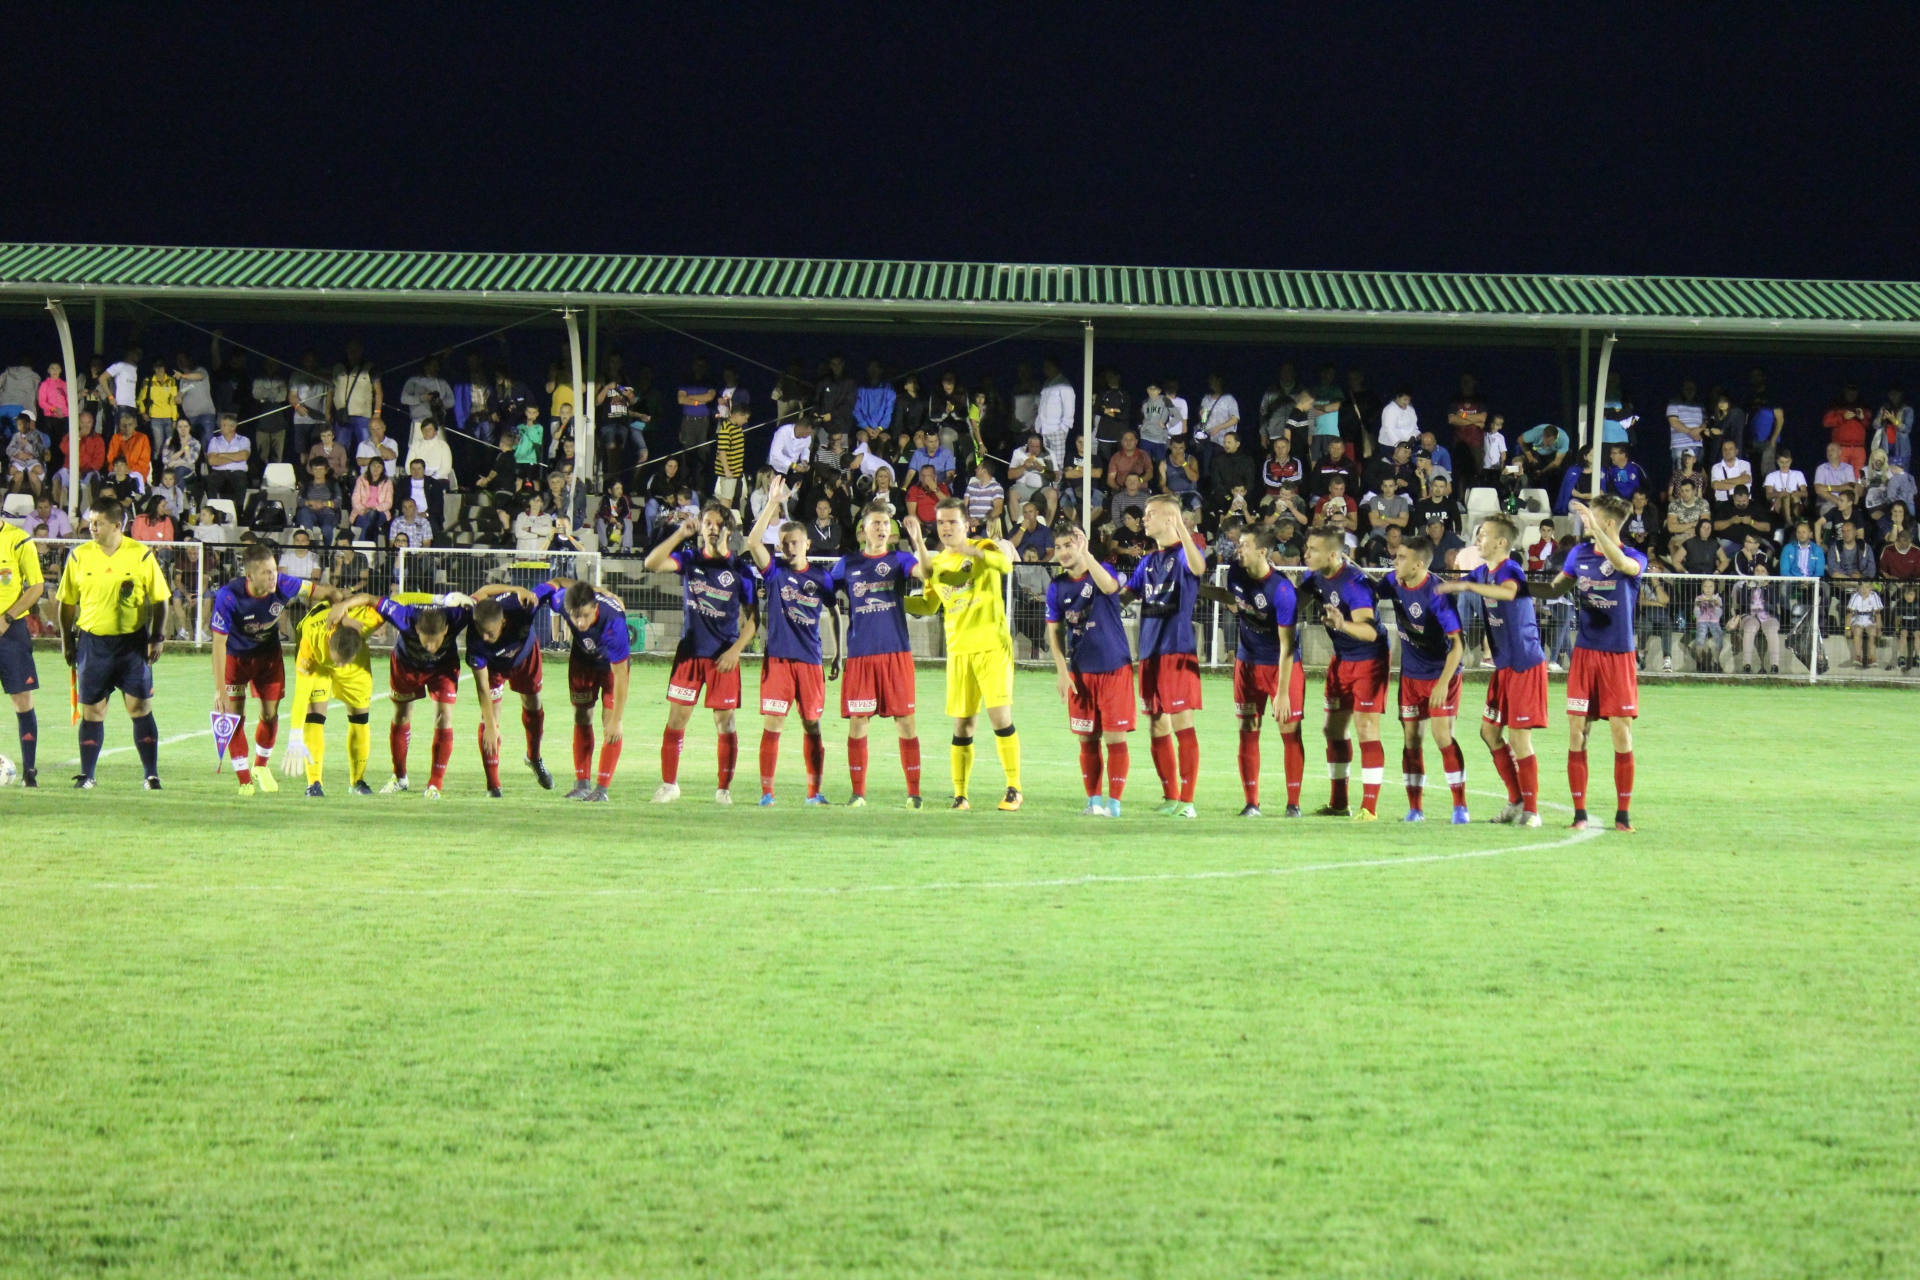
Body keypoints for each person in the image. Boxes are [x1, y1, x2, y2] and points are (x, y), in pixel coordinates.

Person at [904, 496, 1022, 811]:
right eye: (941, 522)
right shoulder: (935, 565)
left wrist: (975, 552)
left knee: (1000, 718)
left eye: (952, 522)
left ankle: (1014, 788)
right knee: (963, 726)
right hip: (959, 652)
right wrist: (893, 601)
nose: (946, 527)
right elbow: (928, 606)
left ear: (967, 525)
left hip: (992, 646)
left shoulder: (984, 547)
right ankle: (960, 795)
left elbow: (1006, 565)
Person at [1436, 515, 1547, 826]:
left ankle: (1532, 811)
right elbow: (1460, 582)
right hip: (1504, 666)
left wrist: (1469, 585)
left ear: (1501, 542)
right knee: (1489, 732)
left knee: (1519, 738)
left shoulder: (1510, 569)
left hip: (1524, 663)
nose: (1477, 539)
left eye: (1483, 534)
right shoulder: (1483, 572)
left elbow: (1510, 592)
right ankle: (1516, 800)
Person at [1546, 496, 1648, 832]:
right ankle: (1579, 815)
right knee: (1578, 732)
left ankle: (1623, 816)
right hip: (1585, 653)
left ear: (1608, 523)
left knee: (1621, 733)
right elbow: (1556, 589)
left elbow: (1622, 565)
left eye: (1593, 517)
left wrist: (1598, 532)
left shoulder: (1634, 556)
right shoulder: (1579, 554)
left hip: (1618, 654)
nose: (1585, 522)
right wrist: (1517, 589)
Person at [644, 502, 757, 804]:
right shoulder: (690, 559)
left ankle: (723, 790)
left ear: (729, 530)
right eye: (707, 522)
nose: (712, 528)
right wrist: (679, 533)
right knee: (676, 720)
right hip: (690, 654)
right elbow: (652, 563)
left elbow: (754, 619)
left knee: (725, 724)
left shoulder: (741, 570)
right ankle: (670, 785)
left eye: (718, 523)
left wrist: (736, 651)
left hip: (723, 658)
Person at [56, 496, 169, 789]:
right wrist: (67, 640)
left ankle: (151, 775)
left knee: (140, 707)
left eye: (98, 523)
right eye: (91, 522)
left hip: (132, 644)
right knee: (93, 711)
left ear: (117, 525)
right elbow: (67, 602)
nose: (91, 528)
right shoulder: (79, 556)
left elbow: (160, 599)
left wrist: (157, 636)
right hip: (93, 644)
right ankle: (87, 775)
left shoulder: (140, 554)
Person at [208, 541, 332, 793]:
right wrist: (220, 689)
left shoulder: (285, 584)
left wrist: (340, 604)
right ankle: (244, 779)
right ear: (250, 575)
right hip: (236, 659)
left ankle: (261, 766)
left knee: (269, 715)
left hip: (268, 657)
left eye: (274, 570)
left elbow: (324, 592)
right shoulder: (229, 596)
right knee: (234, 716)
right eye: (266, 572)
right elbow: (218, 643)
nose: (273, 576)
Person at [744, 476, 839, 805]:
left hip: (810, 660)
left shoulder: (821, 577)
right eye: (784, 544)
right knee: (773, 724)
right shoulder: (775, 572)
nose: (790, 548)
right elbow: (752, 542)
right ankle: (767, 793)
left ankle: (815, 793)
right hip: (779, 661)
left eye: (795, 543)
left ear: (807, 544)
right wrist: (772, 504)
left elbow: (835, 612)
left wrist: (838, 654)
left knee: (812, 724)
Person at [1199, 525, 1305, 817]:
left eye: (1245, 544)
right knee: (1247, 731)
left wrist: (1282, 693)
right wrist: (1197, 589)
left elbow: (1287, 646)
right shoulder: (1236, 570)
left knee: (1290, 732)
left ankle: (1293, 804)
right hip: (1247, 664)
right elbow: (1231, 597)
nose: (1238, 549)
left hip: (1281, 667)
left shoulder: (1282, 591)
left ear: (1262, 552)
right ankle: (1251, 803)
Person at [824, 500, 925, 807]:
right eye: (876, 523)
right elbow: (825, 595)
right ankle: (858, 794)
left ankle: (914, 794)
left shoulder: (900, 559)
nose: (882, 528)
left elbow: (926, 572)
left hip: (896, 654)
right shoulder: (848, 563)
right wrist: (837, 652)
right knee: (858, 722)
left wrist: (918, 541)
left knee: (906, 722)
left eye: (886, 524)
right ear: (863, 529)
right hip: (861, 656)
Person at [1116, 495, 1208, 816]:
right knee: (1157, 725)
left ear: (1170, 518)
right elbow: (1124, 597)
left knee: (1182, 724)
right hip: (1150, 654)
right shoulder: (1148, 562)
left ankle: (1188, 802)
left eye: (1150, 514)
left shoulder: (1184, 554)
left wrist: (1182, 527)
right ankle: (1170, 797)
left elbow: (1199, 567)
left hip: (1177, 652)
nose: (1144, 519)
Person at [334, 590, 473, 798]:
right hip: (406, 666)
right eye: (426, 642)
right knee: (401, 716)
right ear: (416, 629)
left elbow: (487, 604)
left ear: (446, 629)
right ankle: (399, 777)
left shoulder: (457, 616)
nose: (431, 648)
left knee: (444, 717)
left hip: (442, 669)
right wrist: (342, 606)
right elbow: (371, 599)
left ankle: (435, 784)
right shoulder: (404, 616)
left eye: (436, 642)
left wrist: (469, 600)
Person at [1300, 525, 1391, 819]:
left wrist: (1342, 624)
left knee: (1366, 729)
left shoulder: (1354, 583)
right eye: (1307, 548)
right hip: (1341, 659)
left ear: (1333, 554)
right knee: (1333, 729)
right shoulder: (1315, 577)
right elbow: (1292, 605)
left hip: (1369, 659)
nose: (1306, 554)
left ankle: (1369, 809)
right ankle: (1339, 804)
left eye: (1313, 549)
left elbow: (1370, 631)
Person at [1044, 527, 1136, 817]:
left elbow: (1110, 587)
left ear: (1082, 545)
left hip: (1113, 668)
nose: (1063, 552)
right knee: (1087, 739)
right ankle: (1093, 802)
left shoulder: (1102, 571)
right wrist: (1062, 672)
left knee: (1115, 738)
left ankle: (1114, 804)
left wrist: (1087, 555)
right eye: (1059, 547)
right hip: (1080, 673)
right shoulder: (1057, 586)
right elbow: (1054, 633)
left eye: (1069, 545)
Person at [1381, 533, 1470, 824]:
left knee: (1442, 736)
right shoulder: (1394, 581)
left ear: (1418, 565)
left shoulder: (1437, 594)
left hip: (1440, 674)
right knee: (1411, 739)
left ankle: (1460, 807)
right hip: (1410, 675)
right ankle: (1415, 809)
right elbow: (1368, 592)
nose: (1395, 562)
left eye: (1401, 557)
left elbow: (1458, 645)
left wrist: (1443, 683)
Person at [539, 578, 632, 801]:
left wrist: (618, 720)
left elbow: (621, 675)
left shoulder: (614, 622)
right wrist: (535, 594)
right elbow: (557, 582)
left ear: (596, 608)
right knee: (581, 716)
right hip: (582, 662)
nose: (580, 623)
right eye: (575, 617)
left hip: (610, 667)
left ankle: (602, 789)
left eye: (586, 616)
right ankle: (582, 784)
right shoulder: (562, 601)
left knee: (610, 723)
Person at [283, 592, 382, 796]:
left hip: (355, 666)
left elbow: (399, 601)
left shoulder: (366, 621)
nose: (340, 665)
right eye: (337, 660)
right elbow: (301, 693)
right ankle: (314, 784)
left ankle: (357, 782)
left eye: (344, 661)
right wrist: (295, 736)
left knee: (360, 717)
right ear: (330, 643)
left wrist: (439, 600)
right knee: (314, 715)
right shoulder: (310, 641)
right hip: (317, 660)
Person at [465, 585, 557, 796]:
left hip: (525, 656)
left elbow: (555, 583)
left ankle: (534, 758)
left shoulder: (523, 606)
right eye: (481, 632)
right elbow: (482, 687)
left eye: (489, 633)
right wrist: (490, 726)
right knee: (490, 720)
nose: (484, 637)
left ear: (503, 622)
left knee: (533, 703)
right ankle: (493, 787)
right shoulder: (475, 636)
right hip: (494, 667)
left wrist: (602, 593)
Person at [0, 513, 44, 785]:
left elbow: (36, 586)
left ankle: (29, 771)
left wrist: (7, 618)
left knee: (22, 699)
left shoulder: (18, 540)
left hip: (11, 630)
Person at [1846, 581, 1885, 668]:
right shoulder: (1855, 596)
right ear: (1859, 588)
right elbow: (1849, 613)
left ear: (1871, 588)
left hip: (1869, 618)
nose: (1864, 590)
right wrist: (1847, 628)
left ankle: (1872, 657)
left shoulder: (1874, 595)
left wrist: (1879, 629)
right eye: (1862, 587)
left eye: (1867, 587)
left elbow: (1878, 614)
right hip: (1857, 618)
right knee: (1857, 631)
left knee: (1872, 631)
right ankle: (1858, 657)